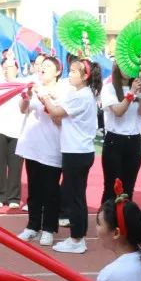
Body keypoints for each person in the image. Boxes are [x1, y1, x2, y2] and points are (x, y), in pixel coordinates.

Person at [42, 58, 102, 254]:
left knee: (73, 196)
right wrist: (51, 98)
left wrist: (44, 96)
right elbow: (61, 109)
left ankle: (77, 239)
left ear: (84, 76)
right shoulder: (83, 94)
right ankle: (78, 235)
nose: (70, 74)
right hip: (80, 151)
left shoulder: (81, 96)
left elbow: (56, 111)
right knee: (78, 196)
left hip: (76, 152)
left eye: (74, 72)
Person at [16, 55, 63, 247]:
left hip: (52, 146)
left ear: (58, 72)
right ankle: (32, 226)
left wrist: (44, 96)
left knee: (50, 190)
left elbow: (58, 118)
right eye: (42, 65)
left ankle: (49, 228)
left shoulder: (62, 90)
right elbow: (23, 109)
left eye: (48, 66)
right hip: (32, 145)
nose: (43, 68)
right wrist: (26, 96)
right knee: (34, 188)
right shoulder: (34, 86)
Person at [99, 61, 141, 205]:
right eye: (124, 65)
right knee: (112, 186)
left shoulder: (138, 89)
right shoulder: (109, 88)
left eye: (130, 66)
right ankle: (108, 217)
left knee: (128, 187)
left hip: (134, 140)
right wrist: (131, 92)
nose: (127, 70)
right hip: (114, 141)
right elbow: (118, 111)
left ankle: (124, 217)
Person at [0, 57, 25, 209]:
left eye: (10, 67)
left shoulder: (23, 84)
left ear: (17, 69)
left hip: (18, 131)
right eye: (4, 67)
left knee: (15, 166)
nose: (7, 70)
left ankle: (13, 197)